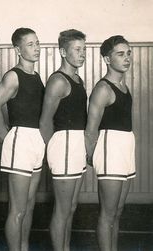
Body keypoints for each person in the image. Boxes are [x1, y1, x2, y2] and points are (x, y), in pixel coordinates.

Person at [0, 27, 45, 251]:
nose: (36, 48)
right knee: (18, 208)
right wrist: (8, 137)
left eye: (37, 43)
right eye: (30, 44)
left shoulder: (36, 75)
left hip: (36, 142)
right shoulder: (13, 76)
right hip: (20, 140)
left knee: (29, 206)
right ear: (17, 49)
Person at [39, 29, 87, 251]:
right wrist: (53, 152)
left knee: (72, 207)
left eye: (84, 49)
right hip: (64, 145)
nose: (82, 54)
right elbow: (45, 121)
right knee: (62, 208)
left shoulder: (77, 79)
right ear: (62, 51)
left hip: (76, 145)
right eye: (77, 49)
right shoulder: (58, 81)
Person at [85, 35, 134, 251]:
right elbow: (90, 130)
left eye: (128, 53)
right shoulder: (103, 89)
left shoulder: (123, 86)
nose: (127, 58)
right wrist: (93, 157)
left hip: (125, 147)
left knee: (119, 209)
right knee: (108, 212)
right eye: (120, 54)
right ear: (107, 59)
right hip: (110, 148)